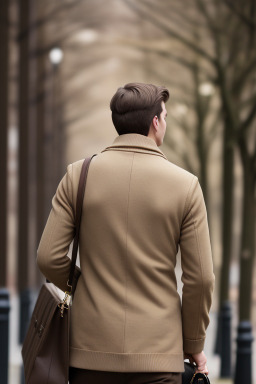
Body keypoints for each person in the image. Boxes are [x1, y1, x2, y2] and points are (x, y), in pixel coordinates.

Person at [37, 82, 215, 384]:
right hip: (158, 356)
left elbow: (48, 256)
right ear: (155, 122)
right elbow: (200, 279)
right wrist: (193, 344)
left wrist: (85, 283)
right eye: (166, 117)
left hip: (88, 353)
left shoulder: (77, 175)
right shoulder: (186, 186)